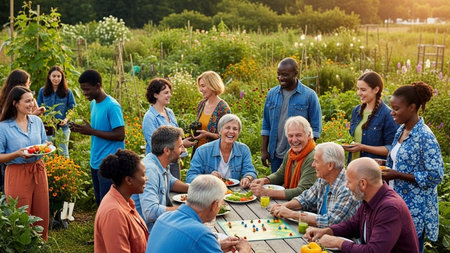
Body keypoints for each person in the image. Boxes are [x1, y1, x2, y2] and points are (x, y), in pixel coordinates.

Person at [304, 157, 419, 253]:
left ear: (363, 183)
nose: (347, 186)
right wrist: (326, 231)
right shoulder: (370, 197)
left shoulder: (390, 208)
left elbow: (374, 251)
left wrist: (338, 243)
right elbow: (353, 225)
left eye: (349, 181)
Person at [385, 81, 444, 253]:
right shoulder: (402, 130)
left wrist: (398, 175)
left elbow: (436, 175)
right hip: (397, 203)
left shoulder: (425, 136)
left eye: (396, 108)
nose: (392, 112)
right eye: (391, 107)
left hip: (415, 210)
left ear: (412, 107)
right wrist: (382, 164)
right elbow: (399, 161)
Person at [146, 175, 251, 253]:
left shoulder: (163, 218)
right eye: (221, 203)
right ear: (214, 205)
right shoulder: (202, 235)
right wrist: (244, 251)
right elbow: (196, 239)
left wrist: (216, 246)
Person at [269, 142, 360, 227]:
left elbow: (331, 222)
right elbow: (305, 199)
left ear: (330, 165)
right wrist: (284, 207)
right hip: (322, 234)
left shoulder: (347, 187)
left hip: (342, 239)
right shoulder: (323, 179)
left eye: (316, 161)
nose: (313, 165)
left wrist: (292, 214)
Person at [69, 69, 125, 206]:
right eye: (83, 90)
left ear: (98, 85)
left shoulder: (112, 106)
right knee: (101, 202)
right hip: (96, 161)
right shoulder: (94, 104)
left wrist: (92, 131)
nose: (84, 93)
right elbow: (98, 130)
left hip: (109, 164)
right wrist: (84, 130)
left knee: (109, 204)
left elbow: (120, 135)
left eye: (87, 89)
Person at [0, 86, 49, 240]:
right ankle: (21, 245)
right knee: (20, 213)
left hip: (38, 169)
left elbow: (43, 143)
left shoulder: (37, 121)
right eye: (27, 101)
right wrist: (17, 154)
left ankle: (40, 244)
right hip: (17, 172)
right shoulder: (4, 127)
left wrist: (45, 147)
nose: (32, 105)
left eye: (32, 101)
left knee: (41, 211)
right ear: (15, 103)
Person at [261, 57, 322, 173]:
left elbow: (315, 128)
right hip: (276, 154)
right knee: (276, 187)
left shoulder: (309, 95)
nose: (280, 78)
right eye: (278, 74)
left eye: (284, 75)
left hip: (300, 156)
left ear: (295, 73)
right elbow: (266, 124)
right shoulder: (272, 94)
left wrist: (305, 152)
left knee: (297, 188)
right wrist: (264, 150)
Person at [132, 125, 189, 231]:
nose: (184, 150)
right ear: (167, 150)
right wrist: (186, 210)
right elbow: (151, 212)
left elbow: (170, 182)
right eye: (180, 146)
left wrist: (195, 189)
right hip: (147, 233)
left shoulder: (160, 161)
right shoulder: (150, 170)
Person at [94, 149, 149, 253]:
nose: (146, 178)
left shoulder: (126, 201)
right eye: (143, 175)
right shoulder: (114, 213)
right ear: (128, 180)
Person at [251, 116, 316, 200]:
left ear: (308, 135)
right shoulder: (291, 153)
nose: (294, 140)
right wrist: (264, 180)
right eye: (290, 136)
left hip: (306, 207)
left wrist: (266, 192)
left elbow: (303, 191)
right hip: (292, 202)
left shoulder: (313, 157)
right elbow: (280, 175)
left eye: (298, 135)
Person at [142, 78, 195, 179]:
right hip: (159, 164)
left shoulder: (169, 112)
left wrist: (183, 141)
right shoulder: (149, 117)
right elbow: (155, 145)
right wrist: (183, 144)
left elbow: (174, 137)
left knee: (174, 191)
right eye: (166, 92)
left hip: (174, 160)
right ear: (155, 95)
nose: (169, 95)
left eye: (170, 92)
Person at [186, 114, 257, 188]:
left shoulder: (243, 149)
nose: (231, 131)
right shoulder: (202, 150)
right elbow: (190, 177)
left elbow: (250, 171)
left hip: (233, 193)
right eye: (227, 128)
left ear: (238, 133)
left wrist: (247, 178)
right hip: (209, 192)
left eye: (235, 129)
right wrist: (209, 178)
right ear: (219, 131)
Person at [343, 71, 398, 163]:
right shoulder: (356, 111)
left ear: (376, 89)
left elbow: (391, 149)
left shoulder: (387, 115)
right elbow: (356, 138)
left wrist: (363, 147)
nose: (359, 93)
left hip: (372, 169)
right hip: (353, 165)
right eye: (358, 89)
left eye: (363, 90)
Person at [37, 66, 77, 157]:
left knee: (63, 151)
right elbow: (39, 107)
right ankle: (49, 170)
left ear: (62, 78)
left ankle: (65, 170)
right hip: (48, 126)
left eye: (59, 76)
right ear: (49, 77)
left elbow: (73, 108)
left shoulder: (67, 92)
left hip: (63, 126)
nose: (56, 79)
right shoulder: (42, 91)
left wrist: (66, 119)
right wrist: (44, 119)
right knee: (48, 151)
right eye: (54, 76)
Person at [192, 71, 231, 154]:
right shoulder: (201, 104)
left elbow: (227, 136)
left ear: (212, 85)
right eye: (200, 86)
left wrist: (207, 134)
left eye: (203, 86)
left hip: (213, 154)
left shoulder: (223, 108)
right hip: (198, 152)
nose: (200, 89)